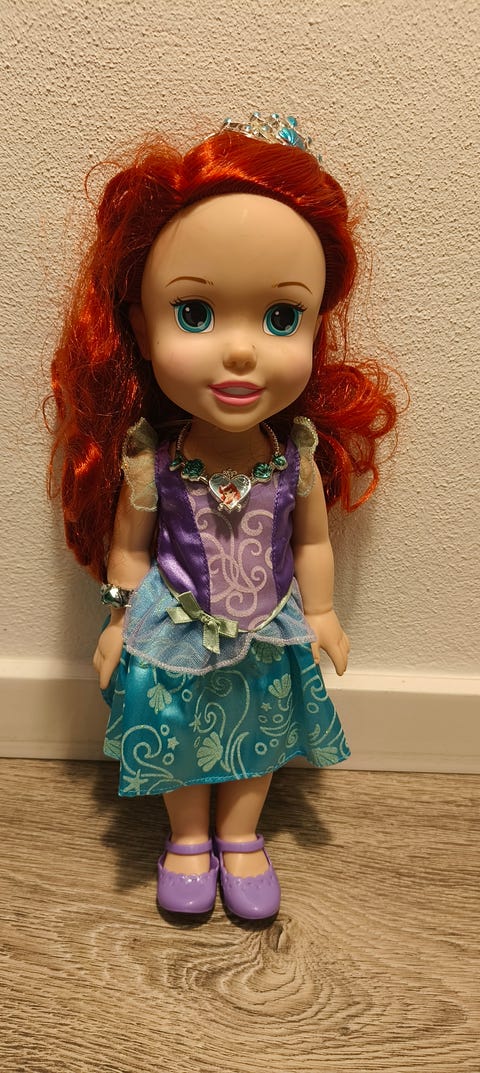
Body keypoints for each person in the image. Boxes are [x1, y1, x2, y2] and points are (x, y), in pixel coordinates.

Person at [47, 113, 398, 921]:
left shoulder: (293, 454)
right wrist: (116, 618)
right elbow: (131, 545)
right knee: (177, 729)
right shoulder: (153, 457)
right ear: (141, 328)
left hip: (267, 626)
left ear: (315, 325)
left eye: (281, 318)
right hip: (173, 624)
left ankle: (240, 834)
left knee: (259, 730)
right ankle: (186, 836)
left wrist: (322, 611)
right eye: (196, 314)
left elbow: (311, 537)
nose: (241, 352)